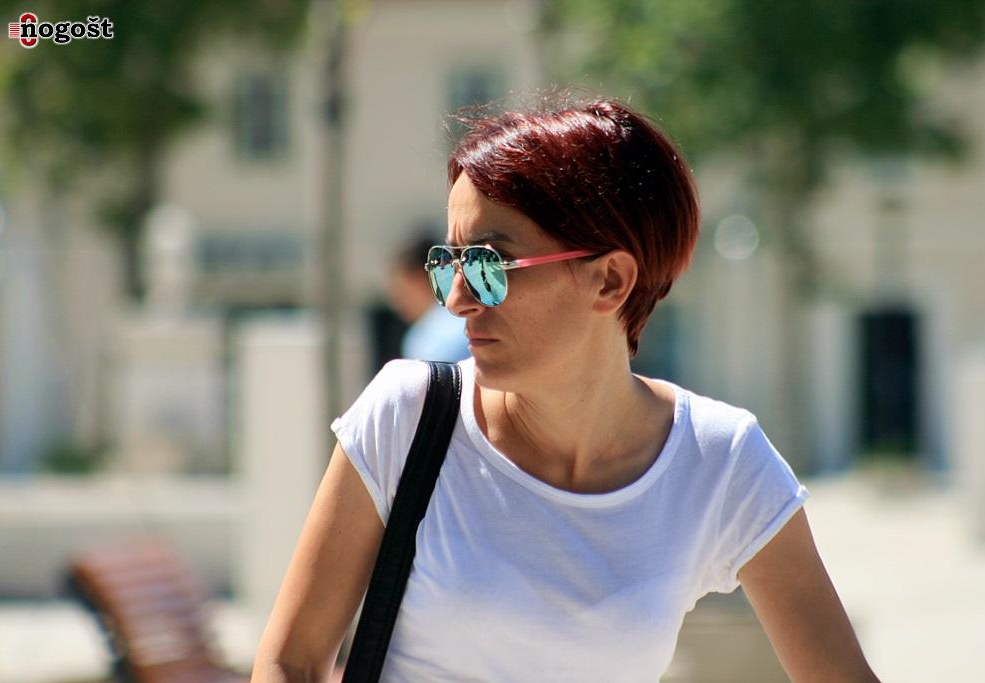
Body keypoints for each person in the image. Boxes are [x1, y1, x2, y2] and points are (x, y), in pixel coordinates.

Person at [252, 96, 880, 682]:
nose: (456, 299)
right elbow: (291, 662)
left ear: (610, 281)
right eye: (449, 263)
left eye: (489, 265)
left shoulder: (720, 459)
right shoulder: (407, 415)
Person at [387, 232, 470, 362]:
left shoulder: (425, 337)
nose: (395, 300)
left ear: (417, 279)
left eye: (400, 287)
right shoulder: (469, 317)